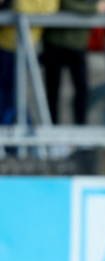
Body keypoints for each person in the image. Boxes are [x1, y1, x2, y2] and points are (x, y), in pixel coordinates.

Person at [0, 0, 59, 156]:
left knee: (12, 95)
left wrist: (15, 5)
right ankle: (18, 142)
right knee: (10, 94)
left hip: (20, 44)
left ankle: (21, 142)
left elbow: (47, 8)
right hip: (4, 42)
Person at [42, 0, 105, 125]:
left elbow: (103, 5)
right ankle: (52, 129)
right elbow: (66, 4)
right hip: (55, 42)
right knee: (53, 89)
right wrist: (94, 9)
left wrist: (95, 7)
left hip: (78, 44)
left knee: (81, 88)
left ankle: (81, 127)